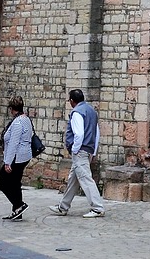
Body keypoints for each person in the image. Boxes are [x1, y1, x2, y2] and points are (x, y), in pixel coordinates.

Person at [48, 88, 105, 218]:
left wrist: (74, 149)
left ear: (72, 101)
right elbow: (97, 133)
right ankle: (63, 206)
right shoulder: (91, 111)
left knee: (85, 178)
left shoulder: (77, 112)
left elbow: (79, 134)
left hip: (80, 150)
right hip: (88, 150)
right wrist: (94, 151)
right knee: (73, 180)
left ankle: (97, 207)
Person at [0, 95, 33, 221]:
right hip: (24, 156)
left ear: (12, 109)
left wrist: (8, 163)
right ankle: (17, 212)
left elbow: (13, 143)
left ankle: (19, 205)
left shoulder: (17, 122)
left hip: (17, 157)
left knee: (1, 182)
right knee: (15, 183)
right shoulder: (26, 119)